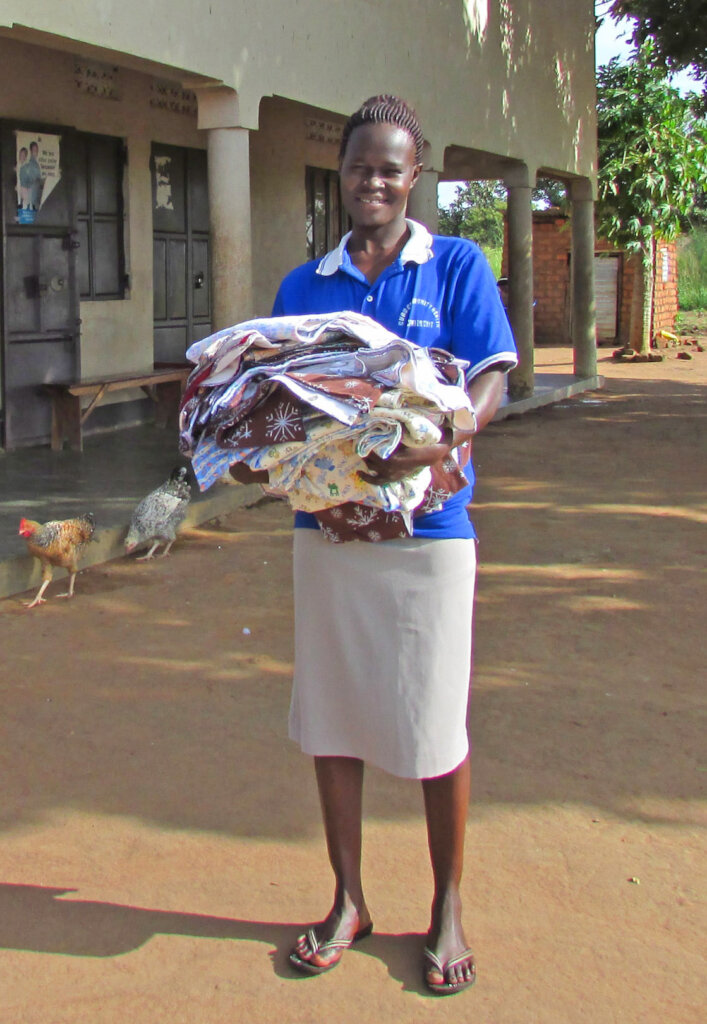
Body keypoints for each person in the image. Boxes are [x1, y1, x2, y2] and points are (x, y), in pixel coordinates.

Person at [233, 95, 517, 995]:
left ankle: (447, 908)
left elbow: (492, 379)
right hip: (328, 535)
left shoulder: (457, 266)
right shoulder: (302, 286)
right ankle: (349, 900)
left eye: (390, 168)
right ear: (342, 174)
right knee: (333, 721)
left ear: (414, 174)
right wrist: (254, 457)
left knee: (434, 724)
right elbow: (272, 405)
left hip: (429, 537)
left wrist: (447, 437)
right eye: (360, 166)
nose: (374, 182)